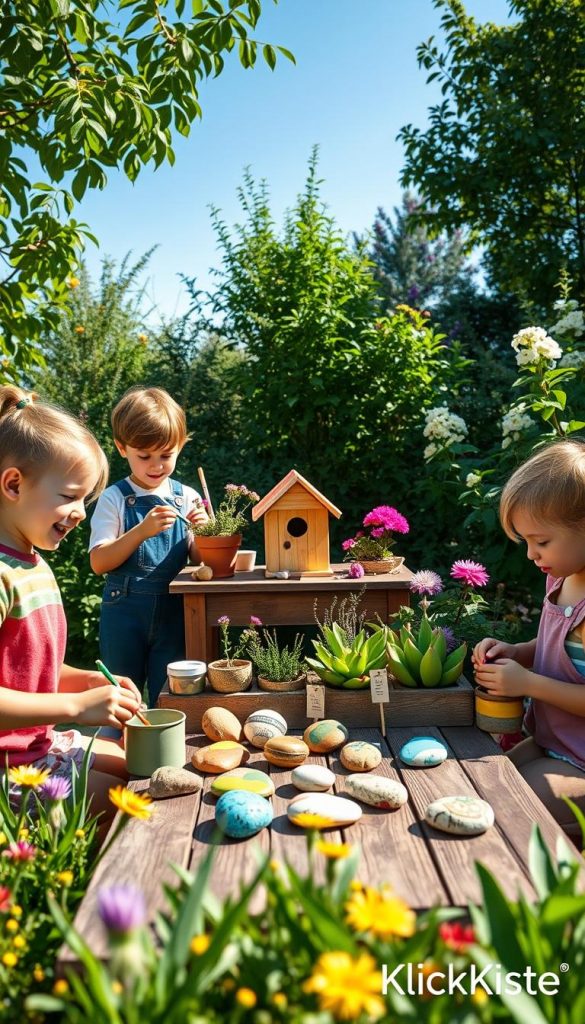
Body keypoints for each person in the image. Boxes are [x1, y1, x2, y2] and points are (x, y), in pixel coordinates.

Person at [0, 385, 142, 823]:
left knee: (137, 766)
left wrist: (81, 682)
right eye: (69, 496)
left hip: (37, 746)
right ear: (13, 484)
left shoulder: (31, 562)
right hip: (12, 769)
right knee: (135, 806)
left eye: (85, 499)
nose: (80, 512)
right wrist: (76, 710)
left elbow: (24, 668)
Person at [473, 439, 585, 842]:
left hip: (580, 763)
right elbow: (560, 647)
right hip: (553, 743)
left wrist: (528, 683)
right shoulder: (562, 579)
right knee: (478, 782)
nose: (532, 555)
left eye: (542, 541)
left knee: (510, 809)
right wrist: (519, 653)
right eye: (526, 543)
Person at [89, 386, 208, 706]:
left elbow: (199, 563)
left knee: (169, 696)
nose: (156, 465)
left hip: (175, 612)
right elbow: (99, 562)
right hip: (124, 612)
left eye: (166, 455)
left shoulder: (188, 498)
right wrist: (140, 531)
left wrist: (204, 534)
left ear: (180, 446)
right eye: (144, 456)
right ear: (121, 447)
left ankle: (162, 754)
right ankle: (116, 751)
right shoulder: (114, 498)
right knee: (119, 694)